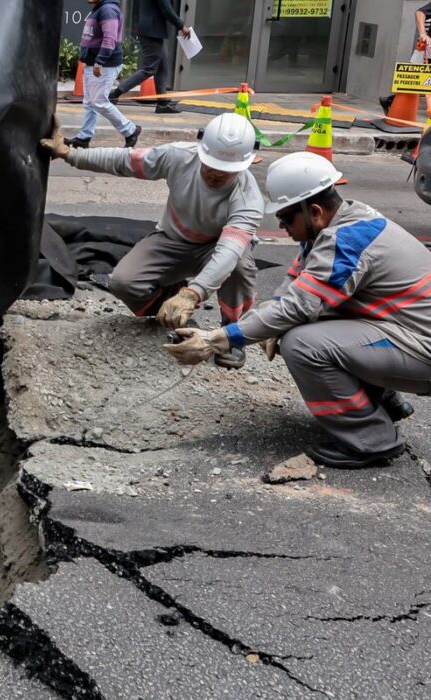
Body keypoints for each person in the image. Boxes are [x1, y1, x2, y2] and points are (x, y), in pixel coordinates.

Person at [165, 153, 430, 469]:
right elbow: (290, 294)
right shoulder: (335, 225)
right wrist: (257, 323)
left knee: (303, 343)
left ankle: (371, 440)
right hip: (405, 333)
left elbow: (296, 308)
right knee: (301, 322)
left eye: (286, 218)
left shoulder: (346, 241)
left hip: (422, 349)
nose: (282, 226)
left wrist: (217, 339)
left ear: (314, 211)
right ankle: (382, 403)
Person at [40, 113, 263, 369]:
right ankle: (167, 309)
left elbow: (229, 252)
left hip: (216, 248)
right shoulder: (179, 157)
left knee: (240, 266)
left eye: (226, 170)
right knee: (123, 282)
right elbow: (125, 161)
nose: (216, 174)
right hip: (173, 240)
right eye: (211, 165)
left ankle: (232, 334)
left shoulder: (248, 199)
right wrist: (70, 154)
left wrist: (192, 294)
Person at [69, 0, 140, 149]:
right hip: (93, 63)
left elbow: (110, 39)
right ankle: (84, 137)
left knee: (99, 102)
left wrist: (99, 62)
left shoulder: (107, 10)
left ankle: (130, 130)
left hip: (103, 65)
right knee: (89, 103)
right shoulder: (98, 8)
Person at [111, 0, 191, 114]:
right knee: (149, 69)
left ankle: (162, 104)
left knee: (162, 67)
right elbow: (166, 8)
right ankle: (115, 93)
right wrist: (181, 25)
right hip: (152, 31)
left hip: (152, 30)